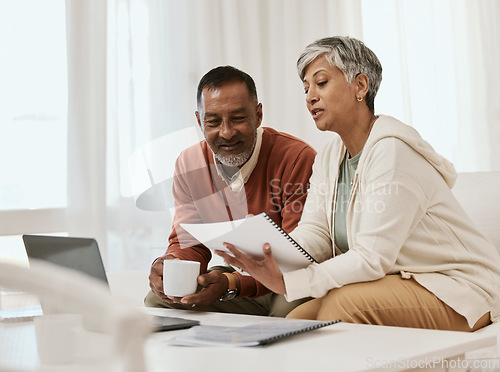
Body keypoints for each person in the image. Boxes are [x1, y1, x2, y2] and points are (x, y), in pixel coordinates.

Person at [216, 36, 500, 331]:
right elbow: (316, 234)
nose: (310, 96)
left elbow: (372, 256)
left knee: (341, 306)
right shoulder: (329, 157)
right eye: (306, 88)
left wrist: (294, 280)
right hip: (401, 279)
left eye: (321, 83)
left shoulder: (392, 151)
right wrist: (267, 250)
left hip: (459, 288)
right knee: (293, 323)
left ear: (360, 86)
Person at [145, 65, 317, 317]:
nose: (226, 132)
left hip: (288, 280)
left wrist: (233, 284)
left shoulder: (296, 158)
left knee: (285, 315)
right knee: (159, 300)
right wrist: (172, 264)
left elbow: (297, 259)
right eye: (213, 122)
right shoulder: (190, 163)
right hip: (237, 279)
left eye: (238, 118)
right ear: (199, 121)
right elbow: (188, 242)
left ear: (258, 115)